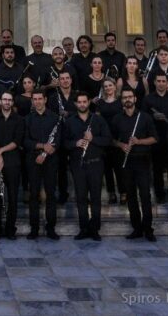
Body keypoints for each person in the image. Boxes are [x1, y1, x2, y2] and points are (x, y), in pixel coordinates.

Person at [112, 88, 158, 242]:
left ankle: (148, 229)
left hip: (143, 161)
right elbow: (111, 139)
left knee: (145, 196)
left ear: (135, 99)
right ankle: (137, 228)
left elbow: (154, 138)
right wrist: (121, 145)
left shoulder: (144, 117)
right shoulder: (117, 119)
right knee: (131, 196)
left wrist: (139, 141)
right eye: (124, 97)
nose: (127, 99)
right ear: (121, 101)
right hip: (126, 162)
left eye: (130, 97)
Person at [64, 92, 111, 241]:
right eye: (79, 102)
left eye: (85, 101)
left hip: (96, 164)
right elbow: (63, 143)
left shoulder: (98, 120)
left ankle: (95, 229)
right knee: (81, 198)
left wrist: (93, 138)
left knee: (96, 198)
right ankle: (83, 228)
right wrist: (75, 143)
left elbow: (108, 140)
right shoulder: (69, 122)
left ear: (89, 102)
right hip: (78, 164)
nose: (82, 104)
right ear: (75, 104)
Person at [24, 89, 61, 240]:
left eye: (40, 99)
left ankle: (51, 228)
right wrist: (41, 146)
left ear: (45, 100)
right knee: (33, 195)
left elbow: (58, 140)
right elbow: (25, 141)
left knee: (51, 194)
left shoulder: (55, 118)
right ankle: (34, 228)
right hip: (33, 160)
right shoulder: (27, 119)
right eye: (35, 99)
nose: (38, 101)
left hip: (50, 161)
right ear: (32, 101)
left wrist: (45, 153)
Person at [0, 92, 25, 241]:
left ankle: (10, 229)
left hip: (13, 162)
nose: (7, 102)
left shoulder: (19, 120)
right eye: (4, 99)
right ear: (0, 101)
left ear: (12, 103)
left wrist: (1, 152)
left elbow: (17, 141)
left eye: (9, 100)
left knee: (12, 197)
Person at [142, 71, 168, 204]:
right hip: (155, 138)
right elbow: (143, 118)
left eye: (163, 81)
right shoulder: (148, 99)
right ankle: (159, 194)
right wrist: (153, 116)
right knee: (157, 168)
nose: (161, 83)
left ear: (167, 82)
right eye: (158, 81)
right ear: (154, 82)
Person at [47, 70, 77, 204]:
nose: (65, 81)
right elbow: (50, 116)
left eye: (67, 78)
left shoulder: (77, 95)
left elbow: (83, 112)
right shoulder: (53, 97)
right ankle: (63, 194)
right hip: (60, 136)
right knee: (61, 167)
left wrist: (68, 113)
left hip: (75, 135)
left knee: (78, 167)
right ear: (59, 81)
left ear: (71, 80)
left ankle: (82, 193)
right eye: (62, 79)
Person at [96, 78, 126, 205]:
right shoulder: (100, 103)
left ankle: (123, 193)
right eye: (105, 86)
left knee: (120, 168)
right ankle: (111, 193)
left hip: (118, 138)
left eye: (110, 85)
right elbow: (97, 120)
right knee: (107, 168)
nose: (108, 88)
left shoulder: (121, 101)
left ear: (115, 86)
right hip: (105, 139)